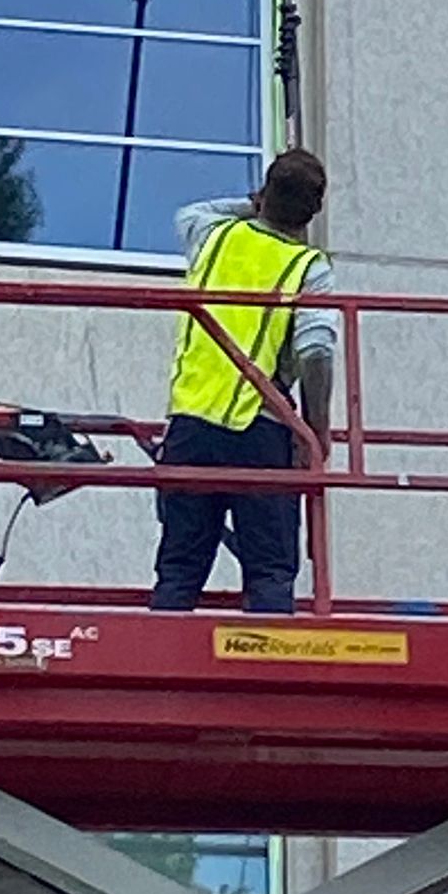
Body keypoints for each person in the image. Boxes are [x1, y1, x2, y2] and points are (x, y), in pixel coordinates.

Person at [148, 149, 336, 616]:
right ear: (314, 212)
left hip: (190, 429)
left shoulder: (212, 235)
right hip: (262, 430)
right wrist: (316, 428)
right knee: (269, 571)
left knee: (179, 569)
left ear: (264, 194)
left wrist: (252, 204)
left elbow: (189, 212)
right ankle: (273, 674)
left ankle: (159, 673)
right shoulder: (308, 267)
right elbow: (316, 351)